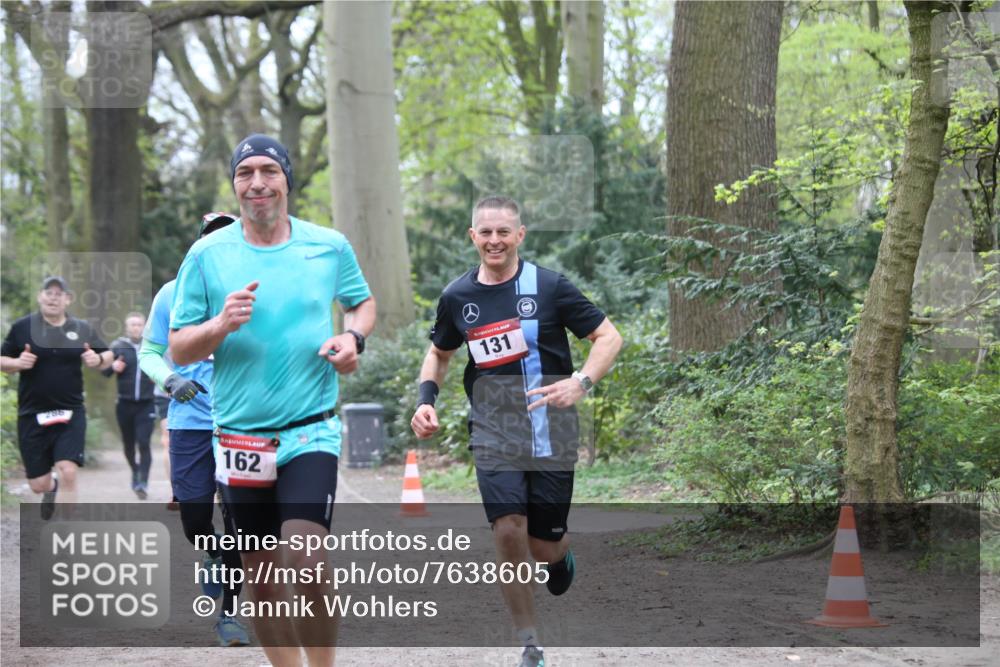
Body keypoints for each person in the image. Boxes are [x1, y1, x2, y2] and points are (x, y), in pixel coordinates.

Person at [169, 135, 376, 666]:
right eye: (245, 173)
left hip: (311, 427)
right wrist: (220, 323)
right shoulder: (207, 255)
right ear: (235, 183)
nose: (256, 183)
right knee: (262, 578)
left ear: (286, 179)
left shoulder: (327, 245)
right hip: (240, 435)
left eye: (267, 171)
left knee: (307, 560)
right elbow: (178, 346)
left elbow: (360, 303)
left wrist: (353, 339)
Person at [410, 196, 623, 667]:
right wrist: (426, 401)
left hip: (552, 429)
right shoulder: (457, 297)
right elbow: (440, 354)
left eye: (503, 232)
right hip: (493, 429)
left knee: (543, 545)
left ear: (520, 235)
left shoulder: (549, 287)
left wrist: (580, 381)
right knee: (508, 530)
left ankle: (559, 556)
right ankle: (530, 644)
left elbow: (609, 337)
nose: (494, 241)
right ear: (473, 237)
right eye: (485, 232)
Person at [139, 211, 250, 646]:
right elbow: (150, 351)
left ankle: (228, 616)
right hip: (189, 424)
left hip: (244, 423)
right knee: (194, 519)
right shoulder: (172, 293)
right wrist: (170, 378)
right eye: (212, 238)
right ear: (199, 245)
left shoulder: (255, 293)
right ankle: (212, 552)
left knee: (242, 522)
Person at [1, 276, 114, 518]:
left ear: (68, 299)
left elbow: (108, 355)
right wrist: (17, 362)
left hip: (70, 412)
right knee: (37, 484)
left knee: (69, 471)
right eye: (48, 293)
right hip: (32, 414)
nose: (53, 297)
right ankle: (50, 488)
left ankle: (63, 532)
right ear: (40, 297)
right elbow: (2, 360)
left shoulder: (82, 328)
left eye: (58, 294)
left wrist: (98, 360)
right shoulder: (22, 327)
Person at [103, 311, 157, 499]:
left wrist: (156, 376)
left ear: (144, 327)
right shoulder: (118, 346)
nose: (136, 327)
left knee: (144, 442)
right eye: (132, 324)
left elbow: (164, 368)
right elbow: (104, 372)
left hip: (147, 404)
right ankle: (134, 470)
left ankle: (143, 481)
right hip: (124, 404)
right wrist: (112, 368)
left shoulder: (152, 347)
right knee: (128, 444)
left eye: (139, 324)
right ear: (127, 327)